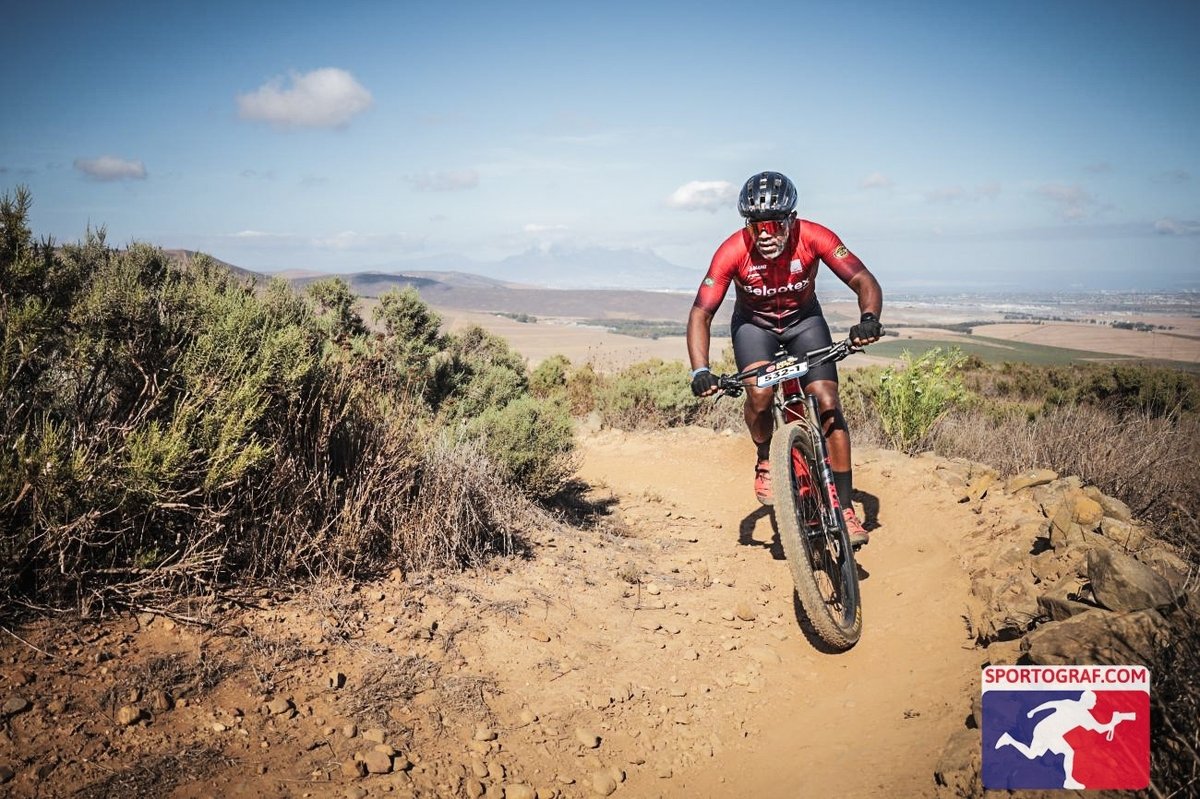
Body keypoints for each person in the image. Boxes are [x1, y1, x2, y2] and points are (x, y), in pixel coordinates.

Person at [686, 170, 882, 546]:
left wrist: (868, 319)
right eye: (755, 225)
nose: (764, 234)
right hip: (754, 328)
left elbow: (863, 280)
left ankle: (843, 509)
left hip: (804, 323)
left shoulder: (816, 237)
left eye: (774, 224)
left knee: (827, 402)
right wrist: (701, 370)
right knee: (759, 396)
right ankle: (766, 458)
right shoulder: (732, 251)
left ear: (791, 219)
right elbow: (701, 313)